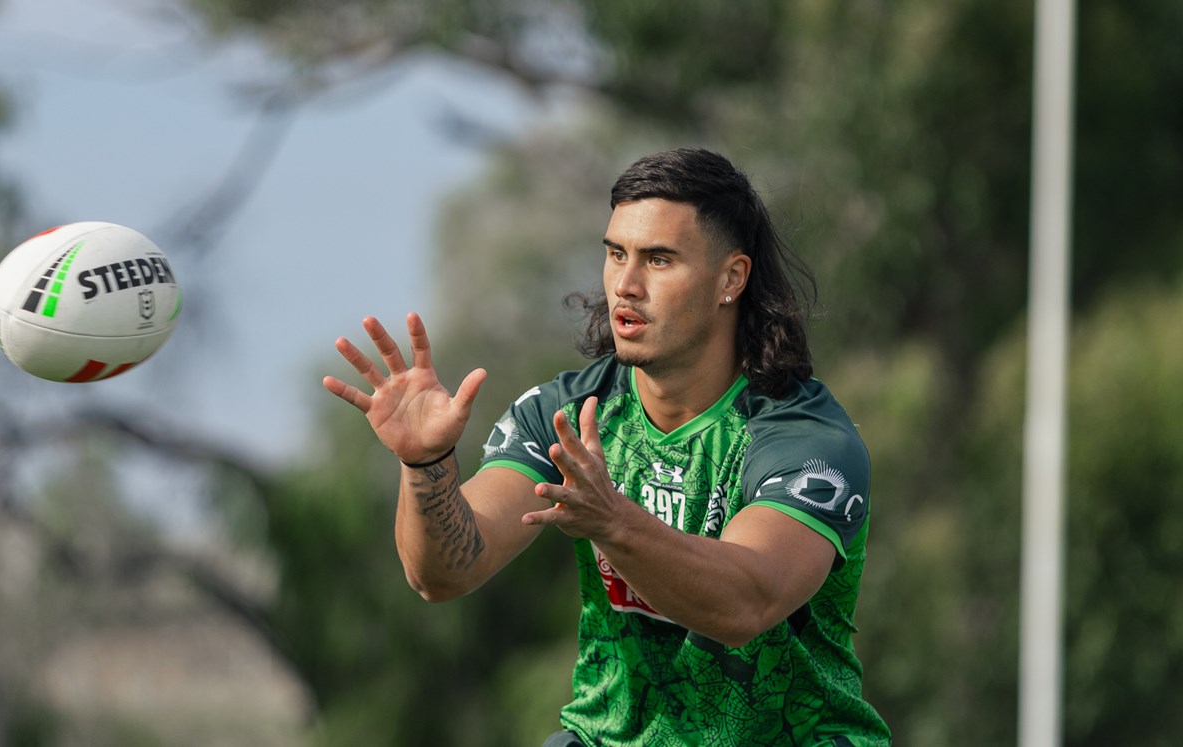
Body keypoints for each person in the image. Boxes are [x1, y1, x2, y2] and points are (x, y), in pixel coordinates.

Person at [323, 147, 891, 746]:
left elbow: (743, 606)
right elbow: (444, 574)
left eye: (659, 260)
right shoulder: (568, 415)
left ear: (732, 278)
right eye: (616, 254)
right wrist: (426, 464)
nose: (626, 284)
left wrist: (615, 523)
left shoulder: (805, 439)